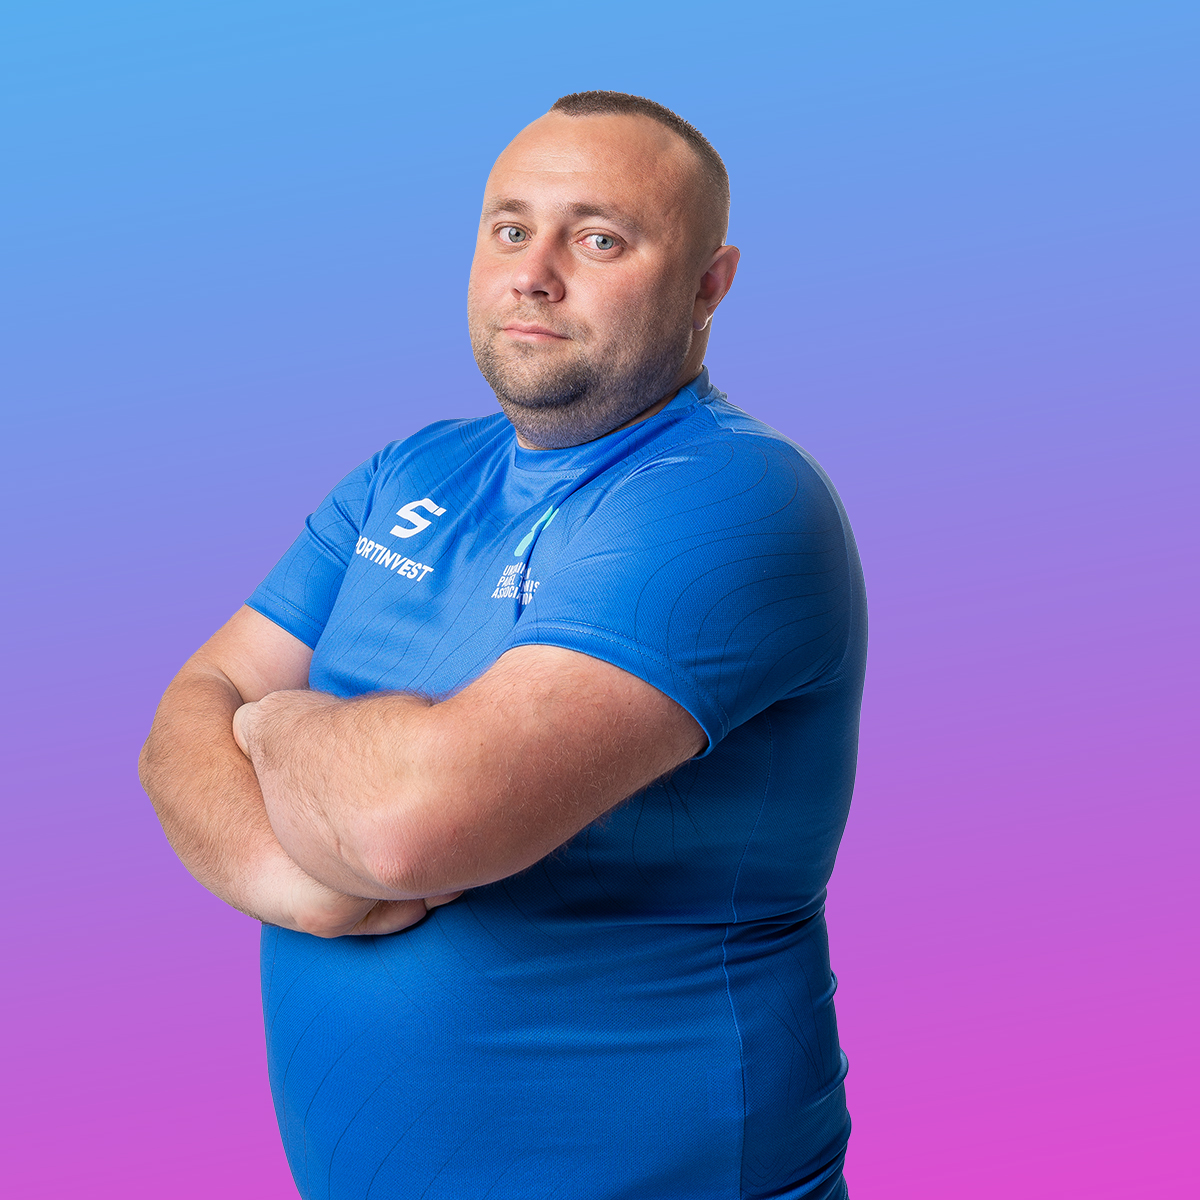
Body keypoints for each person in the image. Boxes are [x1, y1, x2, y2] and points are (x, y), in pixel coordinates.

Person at [140, 90, 866, 1200]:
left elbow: (410, 828)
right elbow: (189, 709)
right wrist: (306, 891)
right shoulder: (413, 469)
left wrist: (277, 724)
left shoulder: (731, 495)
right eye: (512, 228)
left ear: (708, 285)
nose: (535, 273)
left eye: (600, 238)